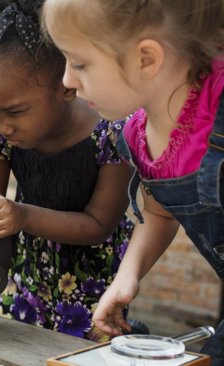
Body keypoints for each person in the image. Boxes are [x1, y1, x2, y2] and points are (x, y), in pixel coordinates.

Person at [0, 0, 134, 341]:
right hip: (20, 276)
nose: (3, 126)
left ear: (66, 86)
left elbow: (98, 226)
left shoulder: (112, 133)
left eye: (14, 111)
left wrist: (21, 216)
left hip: (90, 288)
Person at [43, 0, 224, 362]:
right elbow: (160, 212)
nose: (66, 80)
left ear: (146, 59)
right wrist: (127, 276)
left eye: (79, 63)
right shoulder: (135, 136)